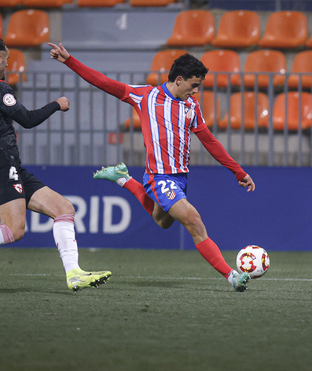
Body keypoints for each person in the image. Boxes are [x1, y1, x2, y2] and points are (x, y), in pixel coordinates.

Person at [49, 42, 255, 292]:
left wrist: (238, 171)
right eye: (194, 85)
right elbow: (103, 82)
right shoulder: (146, 96)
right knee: (195, 222)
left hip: (180, 178)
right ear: (179, 80)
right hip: (159, 177)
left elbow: (209, 140)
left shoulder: (192, 106)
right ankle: (232, 276)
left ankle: (124, 179)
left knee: (163, 221)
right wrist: (70, 61)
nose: (196, 92)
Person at [0, 38, 111, 292]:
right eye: (6, 59)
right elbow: (27, 119)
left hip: (12, 164)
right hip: (3, 163)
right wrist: (56, 105)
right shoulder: (1, 89)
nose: (8, 63)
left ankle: (74, 273)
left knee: (63, 208)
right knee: (13, 230)